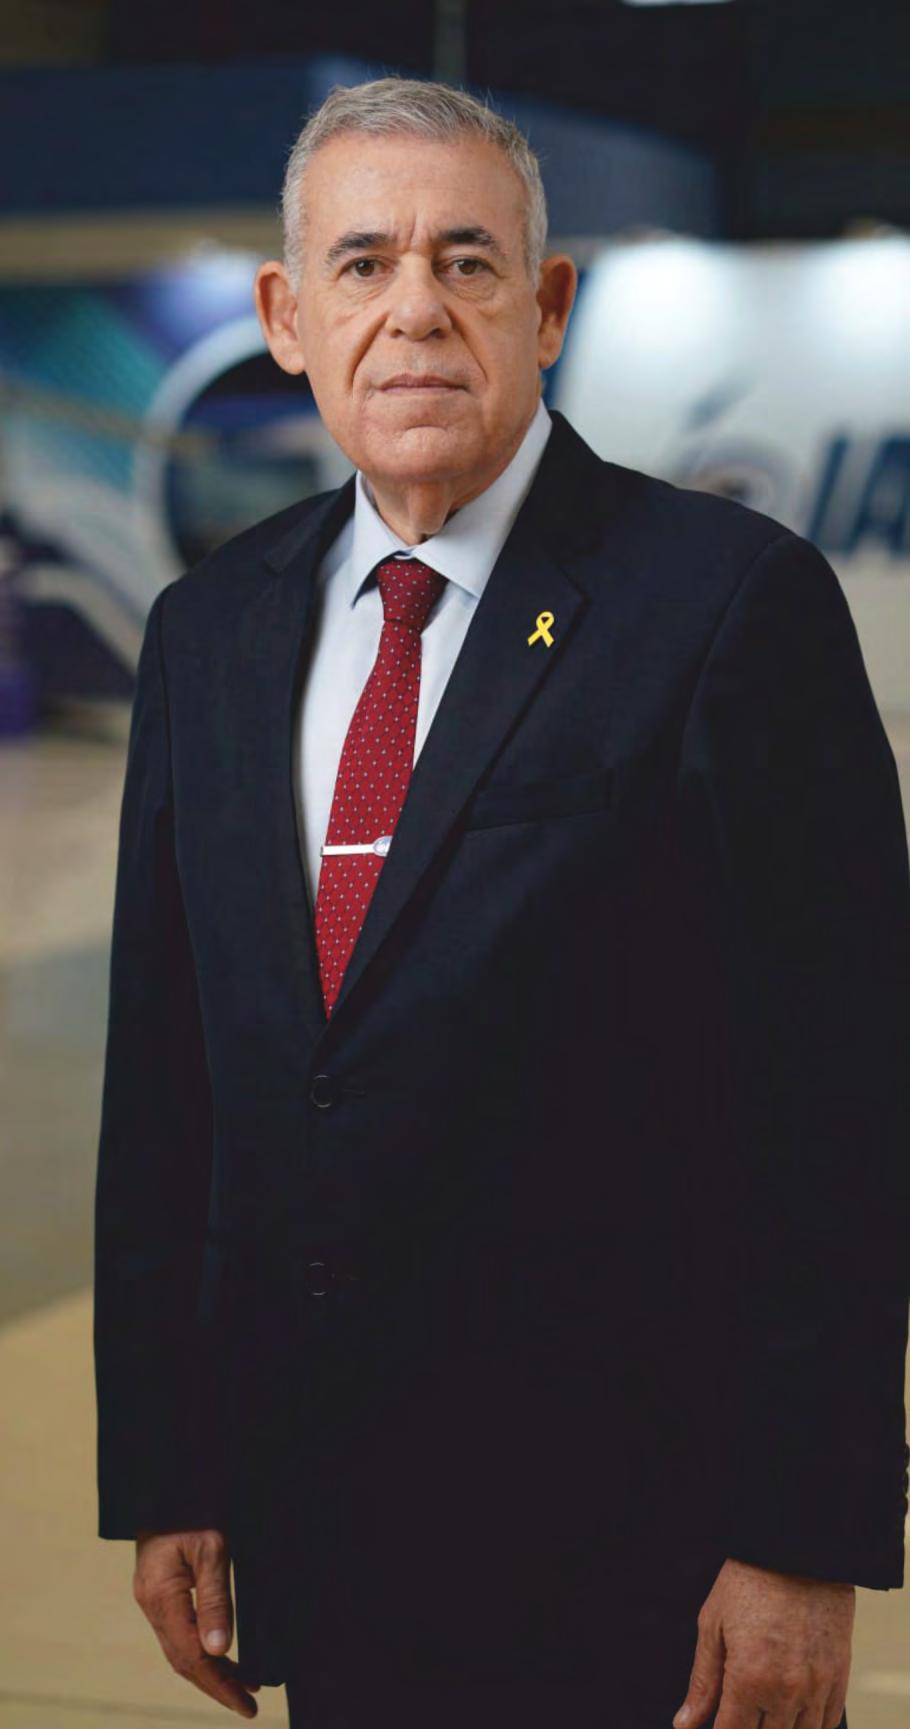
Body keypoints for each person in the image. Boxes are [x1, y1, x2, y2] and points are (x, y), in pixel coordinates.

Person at [94, 76, 910, 1729]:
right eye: (363, 263)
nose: (414, 310)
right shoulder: (209, 630)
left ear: (545, 308)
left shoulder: (726, 604)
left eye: (466, 262)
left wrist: (799, 1537)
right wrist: (167, 1465)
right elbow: (167, 1081)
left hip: (647, 1561)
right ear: (288, 316)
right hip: (327, 1527)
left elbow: (846, 1099)